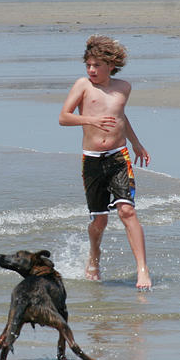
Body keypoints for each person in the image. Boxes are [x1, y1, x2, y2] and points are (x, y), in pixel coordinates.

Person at [58, 35, 152, 290]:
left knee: (127, 211)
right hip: (92, 161)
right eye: (88, 65)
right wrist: (90, 120)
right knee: (100, 220)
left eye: (97, 65)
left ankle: (142, 270)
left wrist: (136, 143)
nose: (91, 70)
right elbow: (64, 117)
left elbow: (121, 117)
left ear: (110, 65)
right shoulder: (83, 86)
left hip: (119, 157)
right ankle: (94, 255)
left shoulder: (124, 87)